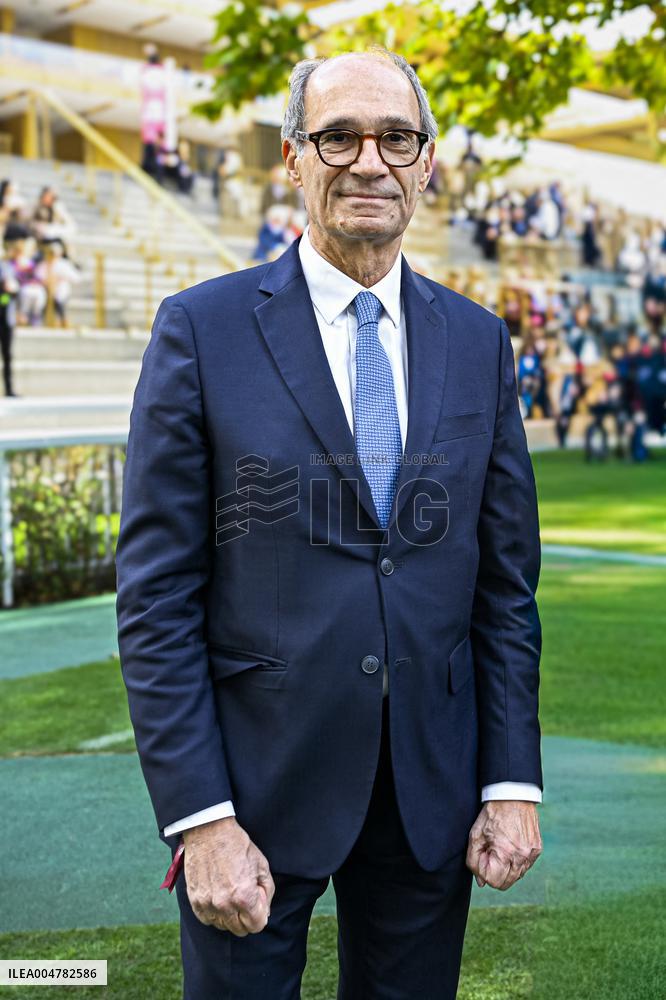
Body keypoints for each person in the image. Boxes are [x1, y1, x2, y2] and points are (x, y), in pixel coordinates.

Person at [116, 46, 544, 1000]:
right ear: (293, 157)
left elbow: (505, 590)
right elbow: (156, 601)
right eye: (339, 136)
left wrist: (511, 782)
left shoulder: (479, 340)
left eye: (396, 138)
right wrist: (201, 817)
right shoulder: (201, 329)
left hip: (429, 794)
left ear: (427, 161)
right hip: (254, 795)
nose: (369, 161)